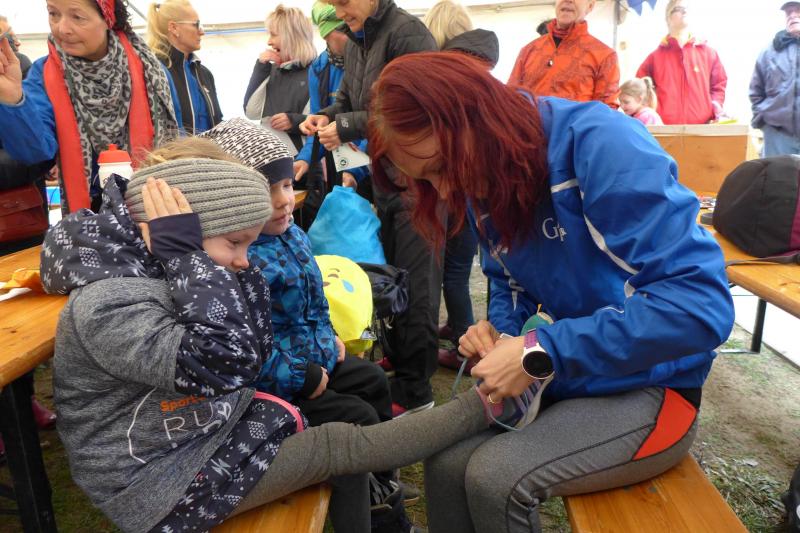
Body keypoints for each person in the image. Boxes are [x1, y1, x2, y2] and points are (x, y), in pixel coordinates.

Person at [40, 135, 525, 532]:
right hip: (153, 481)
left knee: (344, 446)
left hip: (204, 435)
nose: (245, 261)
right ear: (172, 234)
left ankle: (382, 519)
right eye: (236, 243)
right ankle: (489, 404)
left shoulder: (178, 270)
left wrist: (203, 260)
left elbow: (253, 339)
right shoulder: (110, 302)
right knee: (339, 446)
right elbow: (227, 361)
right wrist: (187, 257)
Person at [368, 51, 735, 533]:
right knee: (445, 462)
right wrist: (502, 337)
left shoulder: (600, 145)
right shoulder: (484, 166)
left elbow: (699, 307)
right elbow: (508, 280)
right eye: (425, 180)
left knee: (494, 478)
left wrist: (538, 351)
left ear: (475, 119)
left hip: (656, 383)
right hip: (568, 374)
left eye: (441, 166)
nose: (445, 190)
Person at [203, 117, 417, 526]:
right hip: (280, 385)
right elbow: (248, 343)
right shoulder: (239, 258)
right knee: (358, 416)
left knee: (374, 380)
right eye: (267, 191)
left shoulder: (295, 236)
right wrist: (302, 377)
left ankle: (382, 478)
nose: (283, 200)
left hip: (316, 358)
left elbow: (316, 299)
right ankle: (377, 513)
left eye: (286, 185)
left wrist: (331, 334)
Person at [300, 0, 441, 417]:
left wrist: (345, 126)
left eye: (343, 2)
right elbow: (347, 99)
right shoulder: (360, 40)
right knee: (393, 281)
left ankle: (418, 392)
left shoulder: (408, 34)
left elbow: (416, 109)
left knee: (418, 286)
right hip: (387, 180)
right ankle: (403, 370)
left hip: (420, 183)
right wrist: (323, 116)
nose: (339, 9)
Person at [0, 0, 179, 214]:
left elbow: (176, 145)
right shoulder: (44, 75)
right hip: (88, 216)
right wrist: (13, 98)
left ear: (108, 18)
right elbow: (35, 153)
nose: (62, 28)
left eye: (77, 17)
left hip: (152, 206)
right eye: (53, 14)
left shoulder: (151, 71)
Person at [423, 1, 497, 375]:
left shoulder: (448, 76)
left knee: (454, 271)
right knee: (463, 267)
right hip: (479, 187)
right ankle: (458, 327)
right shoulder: (482, 70)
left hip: (462, 189)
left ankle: (464, 347)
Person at [244, 5, 321, 229]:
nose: (269, 41)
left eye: (274, 34)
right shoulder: (272, 70)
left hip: (302, 165)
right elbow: (251, 110)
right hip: (272, 166)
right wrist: (261, 67)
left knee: (303, 227)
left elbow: (321, 117)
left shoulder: (315, 70)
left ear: (290, 35)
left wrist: (293, 121)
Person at [292, 2, 368, 192]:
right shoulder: (320, 68)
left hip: (372, 164)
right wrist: (304, 159)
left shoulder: (369, 60)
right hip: (339, 165)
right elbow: (319, 125)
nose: (351, 35)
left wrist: (355, 170)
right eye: (343, 30)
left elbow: (377, 121)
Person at [507, 0, 619, 109]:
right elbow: (510, 98)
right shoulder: (529, 50)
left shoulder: (605, 56)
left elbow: (606, 111)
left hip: (576, 123)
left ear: (590, 6)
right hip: (528, 121)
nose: (568, 0)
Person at [636, 0, 727, 125]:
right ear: (668, 18)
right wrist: (650, 114)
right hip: (664, 129)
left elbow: (719, 84)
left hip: (702, 128)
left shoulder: (709, 53)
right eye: (678, 9)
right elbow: (638, 88)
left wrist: (714, 106)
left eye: (686, 9)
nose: (684, 11)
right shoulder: (654, 58)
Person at [146, 0, 222, 134]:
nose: (202, 32)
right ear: (174, 28)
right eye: (196, 24)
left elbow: (217, 121)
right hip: (175, 148)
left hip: (208, 147)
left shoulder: (205, 74)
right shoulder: (155, 72)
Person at [749, 1, 800, 156]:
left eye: (798, 11)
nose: (792, 15)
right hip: (777, 136)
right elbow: (756, 91)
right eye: (788, 12)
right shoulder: (769, 52)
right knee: (777, 173)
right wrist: (763, 119)